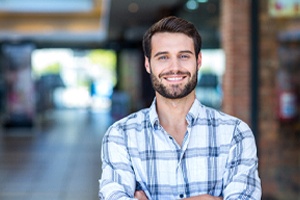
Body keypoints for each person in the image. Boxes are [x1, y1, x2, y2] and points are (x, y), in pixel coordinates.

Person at [99, 16, 262, 200]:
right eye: (163, 57)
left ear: (198, 61)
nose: (175, 67)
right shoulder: (121, 135)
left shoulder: (236, 133)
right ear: (147, 64)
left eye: (184, 56)